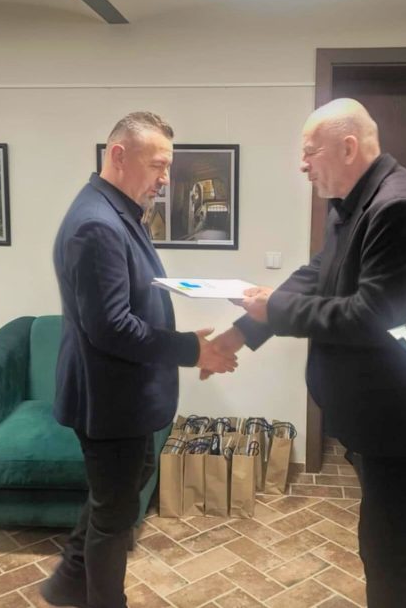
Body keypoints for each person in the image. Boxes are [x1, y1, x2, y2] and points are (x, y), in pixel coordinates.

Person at [208, 99, 406, 607]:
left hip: (402, 422)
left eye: (310, 152)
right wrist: (243, 330)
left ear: (348, 148)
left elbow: (370, 316)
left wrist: (275, 307)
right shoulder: (355, 203)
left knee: (391, 558)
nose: (302, 165)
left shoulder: (399, 208)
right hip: (395, 417)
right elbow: (317, 275)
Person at [41, 112, 237, 608]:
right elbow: (111, 327)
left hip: (126, 394)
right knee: (114, 517)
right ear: (118, 156)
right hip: (110, 399)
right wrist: (190, 348)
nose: (165, 178)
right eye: (157, 165)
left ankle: (67, 583)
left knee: (119, 492)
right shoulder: (97, 224)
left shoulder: (117, 210)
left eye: (168, 166)